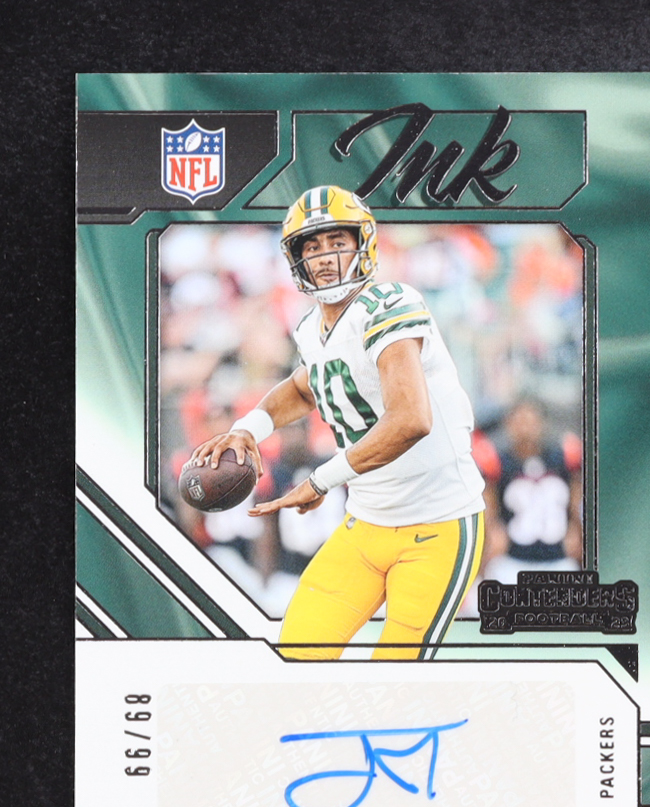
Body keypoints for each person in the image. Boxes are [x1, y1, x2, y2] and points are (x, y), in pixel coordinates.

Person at [190, 185, 485, 660]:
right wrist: (248, 428)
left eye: (337, 242)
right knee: (296, 658)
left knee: (396, 676)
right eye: (312, 246)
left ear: (363, 244)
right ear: (296, 259)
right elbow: (305, 386)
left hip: (437, 526)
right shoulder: (310, 328)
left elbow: (411, 419)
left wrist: (321, 481)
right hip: (366, 524)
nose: (325, 256)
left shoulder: (390, 303)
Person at [475, 399, 582, 584]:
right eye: (519, 421)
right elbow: (490, 508)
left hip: (558, 559)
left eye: (530, 421)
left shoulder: (563, 458)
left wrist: (575, 528)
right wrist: (492, 533)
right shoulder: (498, 462)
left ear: (542, 423)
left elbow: (576, 499)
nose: (525, 428)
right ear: (508, 424)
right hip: (512, 560)